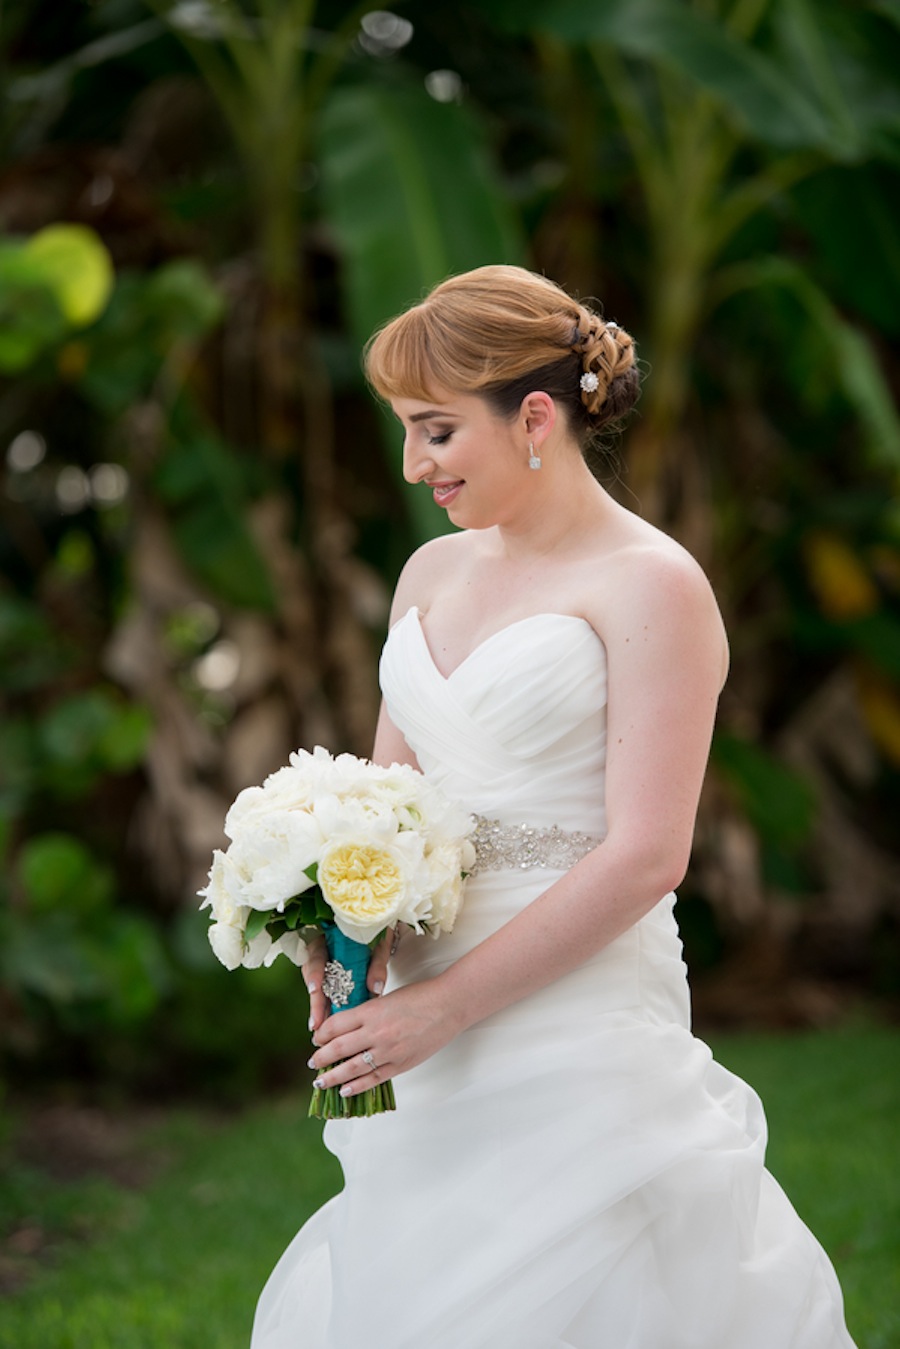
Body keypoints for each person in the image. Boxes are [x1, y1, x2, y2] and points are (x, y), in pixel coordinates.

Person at [251, 265, 857, 1348]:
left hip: (574, 1012)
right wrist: (344, 941)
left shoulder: (652, 582)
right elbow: (384, 808)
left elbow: (646, 855)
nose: (412, 466)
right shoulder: (428, 574)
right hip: (420, 1007)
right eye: (404, 432)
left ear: (533, 415)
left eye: (436, 432)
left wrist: (446, 1007)